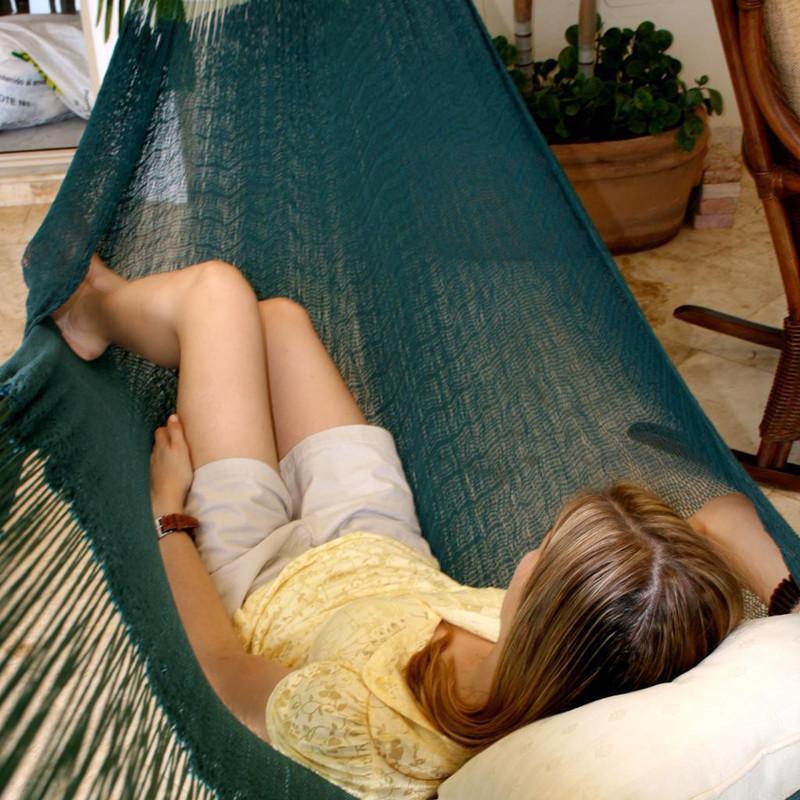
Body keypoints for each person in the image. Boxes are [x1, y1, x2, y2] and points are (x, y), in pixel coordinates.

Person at [52, 256, 799, 799]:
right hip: (381, 542)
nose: (527, 550)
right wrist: (789, 603)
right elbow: (723, 519)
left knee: (219, 292)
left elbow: (217, 672)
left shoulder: (373, 734)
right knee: (278, 322)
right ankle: (118, 305)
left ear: (546, 617)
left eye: (542, 558)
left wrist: (170, 515)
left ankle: (95, 312)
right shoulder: (606, 654)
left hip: (262, 570)